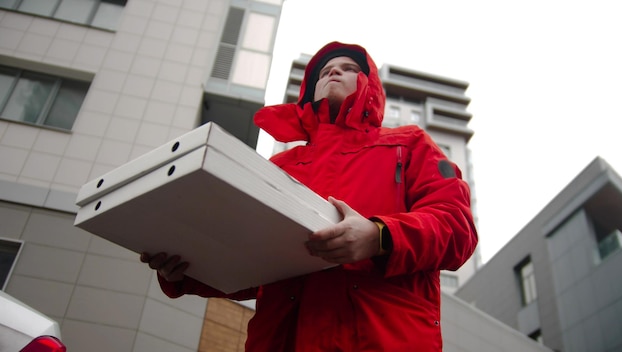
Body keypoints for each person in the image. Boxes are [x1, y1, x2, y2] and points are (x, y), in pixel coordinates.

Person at [141, 41, 478, 351]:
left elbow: (457, 226)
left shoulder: (410, 144)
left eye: (348, 68)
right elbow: (249, 265)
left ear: (369, 85)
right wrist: (184, 270)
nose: (334, 71)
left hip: (381, 341)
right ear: (308, 91)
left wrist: (379, 237)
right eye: (324, 71)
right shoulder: (277, 166)